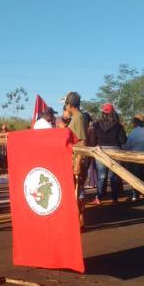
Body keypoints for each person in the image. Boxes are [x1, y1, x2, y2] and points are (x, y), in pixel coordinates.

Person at [90, 103, 127, 204]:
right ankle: (115, 198)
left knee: (101, 176)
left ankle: (99, 198)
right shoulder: (118, 125)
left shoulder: (96, 125)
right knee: (114, 176)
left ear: (103, 113)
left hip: (101, 151)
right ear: (113, 113)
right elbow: (123, 140)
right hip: (115, 151)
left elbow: (93, 141)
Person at [62, 91, 87, 226]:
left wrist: (77, 163)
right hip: (72, 159)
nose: (65, 107)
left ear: (70, 104)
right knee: (73, 190)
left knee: (79, 190)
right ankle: (76, 217)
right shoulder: (75, 118)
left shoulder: (79, 118)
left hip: (77, 160)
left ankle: (80, 218)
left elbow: (83, 141)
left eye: (66, 105)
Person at [122, 114, 144, 201]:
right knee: (143, 175)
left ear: (136, 122)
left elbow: (127, 145)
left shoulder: (134, 132)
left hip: (134, 157)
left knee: (135, 176)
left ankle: (135, 194)